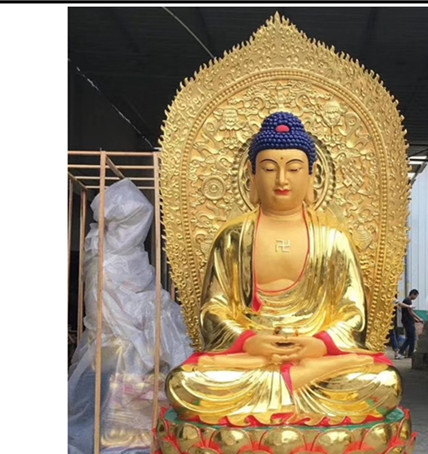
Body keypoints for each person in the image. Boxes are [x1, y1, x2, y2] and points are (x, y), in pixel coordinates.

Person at [165, 112, 403, 426]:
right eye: (268, 169)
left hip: (316, 359)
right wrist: (250, 341)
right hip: (252, 358)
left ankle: (280, 392)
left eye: (293, 168)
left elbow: (353, 314)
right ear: (251, 176)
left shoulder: (333, 239)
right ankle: (292, 389)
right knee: (184, 382)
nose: (281, 180)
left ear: (312, 176)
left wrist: (319, 344)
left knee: (384, 381)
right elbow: (213, 311)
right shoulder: (233, 238)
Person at [395, 289, 424, 359]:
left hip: (407, 321)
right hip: (408, 322)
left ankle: (406, 352)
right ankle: (407, 353)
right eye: (416, 296)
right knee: (412, 338)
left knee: (409, 338)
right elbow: (411, 312)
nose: (416, 298)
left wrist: (416, 320)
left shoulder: (406, 300)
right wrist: (419, 318)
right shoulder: (408, 301)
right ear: (413, 294)